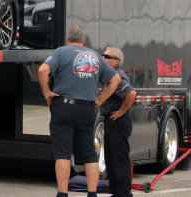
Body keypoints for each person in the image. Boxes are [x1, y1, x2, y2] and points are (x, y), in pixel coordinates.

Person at [38, 26, 121, 197]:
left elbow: (42, 70)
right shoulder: (95, 56)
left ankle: (63, 193)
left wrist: (47, 92)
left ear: (67, 39)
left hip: (65, 105)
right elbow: (115, 79)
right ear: (83, 41)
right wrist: (100, 100)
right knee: (89, 153)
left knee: (63, 153)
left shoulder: (61, 52)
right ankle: (92, 193)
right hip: (87, 108)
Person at [100, 47, 137, 197]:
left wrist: (121, 111)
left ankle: (123, 193)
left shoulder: (118, 76)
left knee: (119, 159)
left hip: (119, 122)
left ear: (115, 62)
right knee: (110, 158)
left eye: (106, 56)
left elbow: (131, 93)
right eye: (102, 54)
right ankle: (116, 192)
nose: (102, 57)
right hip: (111, 121)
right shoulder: (110, 75)